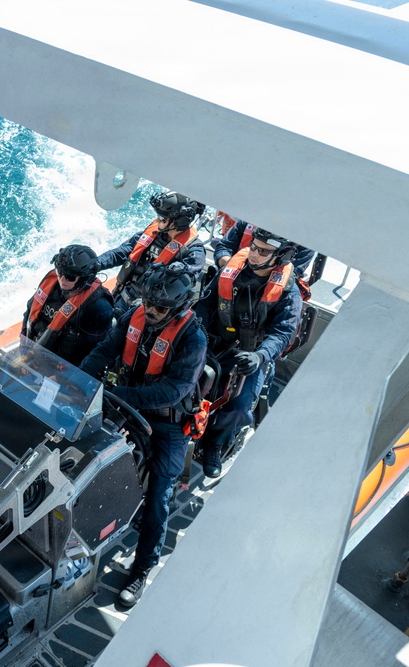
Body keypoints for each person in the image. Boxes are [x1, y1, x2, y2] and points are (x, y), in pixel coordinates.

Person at [79, 263, 206, 608]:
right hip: (123, 400)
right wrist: (81, 382)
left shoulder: (192, 338)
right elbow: (105, 350)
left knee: (158, 498)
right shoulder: (136, 316)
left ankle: (142, 569)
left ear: (178, 309)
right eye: (146, 302)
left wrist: (119, 396)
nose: (149, 312)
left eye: (160, 308)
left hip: (166, 420)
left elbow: (175, 390)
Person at [195, 228, 303, 478]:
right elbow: (205, 304)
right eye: (253, 247)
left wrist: (260, 356)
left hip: (253, 355)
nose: (254, 254)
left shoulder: (288, 293)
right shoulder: (230, 270)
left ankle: (216, 443)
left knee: (239, 406)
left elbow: (281, 334)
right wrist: (197, 334)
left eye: (263, 251)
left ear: (280, 256)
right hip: (215, 342)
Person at [95, 191, 206, 319]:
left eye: (163, 219)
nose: (157, 221)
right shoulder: (153, 233)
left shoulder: (194, 252)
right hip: (124, 297)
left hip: (152, 312)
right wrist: (96, 263)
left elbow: (179, 287)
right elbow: (122, 252)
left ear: (179, 221)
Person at [22, 244, 113, 367]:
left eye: (70, 277)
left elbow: (95, 351)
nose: (62, 280)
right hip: (34, 356)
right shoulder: (51, 286)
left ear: (85, 278)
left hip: (64, 369)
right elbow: (29, 313)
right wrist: (24, 351)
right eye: (60, 272)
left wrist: (65, 378)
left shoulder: (99, 307)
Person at [213, 215, 316, 280]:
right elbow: (223, 248)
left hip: (267, 296)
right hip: (231, 278)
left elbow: (293, 273)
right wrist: (236, 267)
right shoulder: (248, 218)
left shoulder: (306, 240)